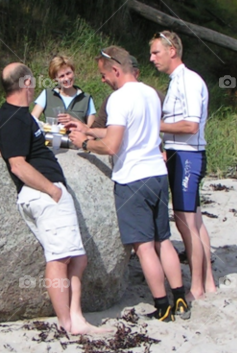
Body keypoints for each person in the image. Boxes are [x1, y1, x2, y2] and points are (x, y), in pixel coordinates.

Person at [66, 46, 189, 322]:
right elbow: (128, 129)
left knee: (144, 247)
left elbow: (111, 145)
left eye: (103, 74)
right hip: (157, 174)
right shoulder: (151, 94)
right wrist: (88, 128)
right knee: (164, 241)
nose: (101, 80)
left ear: (116, 70)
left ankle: (161, 305)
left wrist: (84, 143)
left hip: (132, 179)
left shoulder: (119, 99)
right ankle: (179, 297)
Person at [0, 63, 110, 335]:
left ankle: (74, 315)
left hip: (47, 192)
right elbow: (17, 165)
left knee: (77, 257)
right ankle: (70, 322)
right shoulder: (14, 117)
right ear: (26, 83)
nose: (34, 85)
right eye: (32, 81)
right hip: (44, 194)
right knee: (59, 259)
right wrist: (52, 190)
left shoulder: (20, 116)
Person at [149, 30, 214, 302]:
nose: (152, 58)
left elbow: (190, 125)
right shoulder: (176, 80)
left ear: (172, 50)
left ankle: (196, 286)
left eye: (156, 52)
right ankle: (209, 281)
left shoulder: (188, 80)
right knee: (195, 221)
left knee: (186, 221)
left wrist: (152, 124)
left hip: (188, 154)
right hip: (179, 152)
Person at [31, 55, 97, 127]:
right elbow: (32, 120)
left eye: (68, 73)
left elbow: (92, 130)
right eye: (62, 76)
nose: (66, 78)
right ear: (55, 79)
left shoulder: (86, 98)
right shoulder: (47, 94)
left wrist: (73, 121)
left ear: (73, 72)